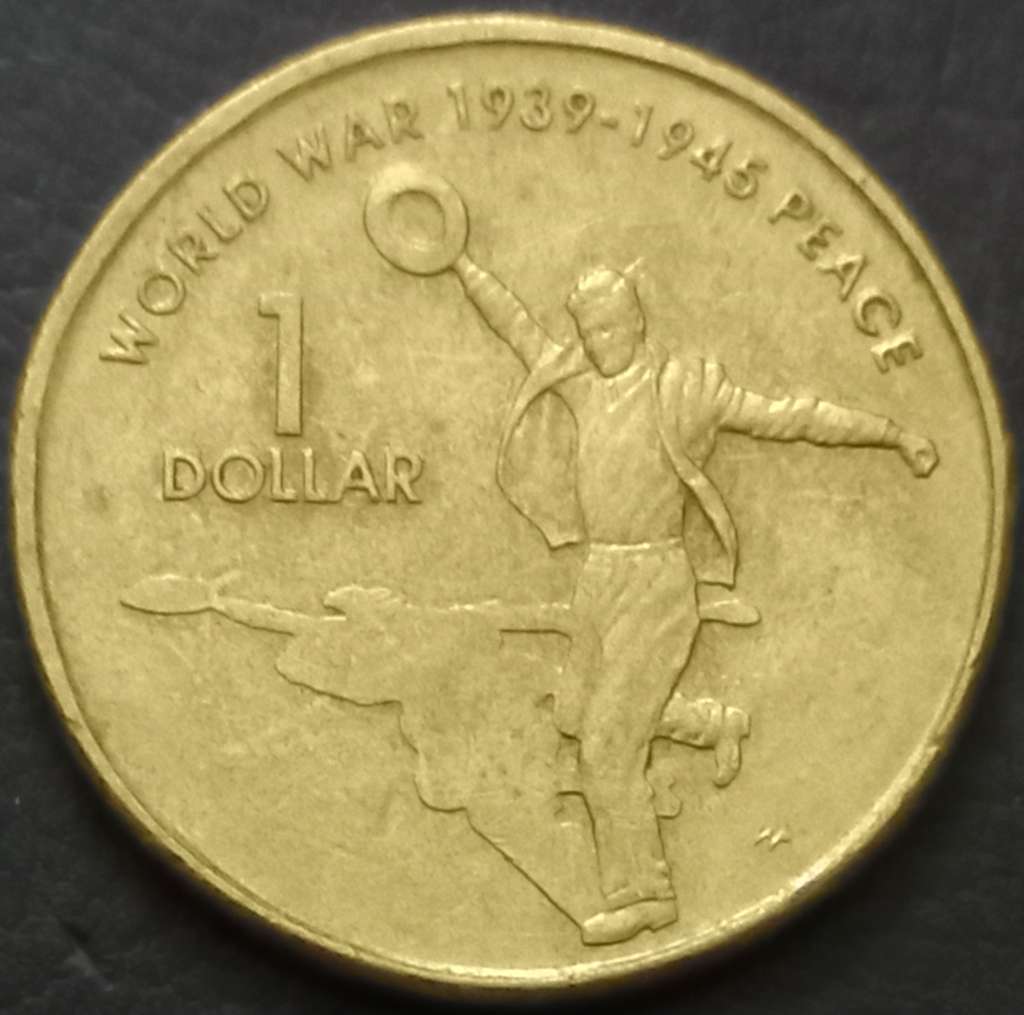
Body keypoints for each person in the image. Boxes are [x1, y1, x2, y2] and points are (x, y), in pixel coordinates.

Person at [449, 253, 938, 945]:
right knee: (574, 716)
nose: (599, 341)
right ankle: (711, 724)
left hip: (656, 581)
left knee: (608, 748)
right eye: (588, 330)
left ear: (636, 321)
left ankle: (644, 894)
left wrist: (895, 434)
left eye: (609, 327)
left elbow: (791, 418)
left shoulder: (685, 391)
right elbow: (516, 326)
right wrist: (460, 262)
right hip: (598, 578)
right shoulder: (581, 386)